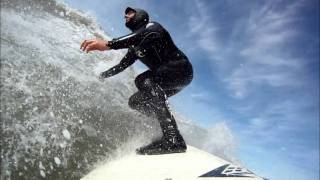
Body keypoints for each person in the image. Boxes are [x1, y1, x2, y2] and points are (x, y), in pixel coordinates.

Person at [80, 7, 193, 155]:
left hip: (180, 70)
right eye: (125, 14)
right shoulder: (135, 47)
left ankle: (172, 139)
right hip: (170, 79)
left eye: (130, 13)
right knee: (136, 101)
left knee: (143, 79)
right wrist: (103, 75)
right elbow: (121, 65)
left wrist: (108, 45)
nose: (125, 15)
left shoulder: (152, 27)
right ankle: (166, 128)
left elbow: (145, 34)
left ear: (141, 15)